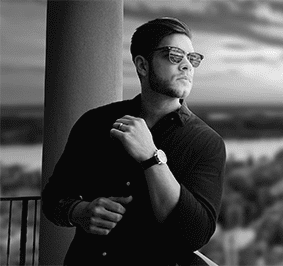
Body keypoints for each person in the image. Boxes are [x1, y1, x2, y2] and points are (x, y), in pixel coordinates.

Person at [42, 17, 226, 266]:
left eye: (192, 59)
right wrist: (79, 212)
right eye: (174, 55)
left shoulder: (207, 142)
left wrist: (151, 156)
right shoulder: (94, 123)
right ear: (142, 65)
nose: (187, 66)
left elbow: (195, 235)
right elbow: (54, 196)